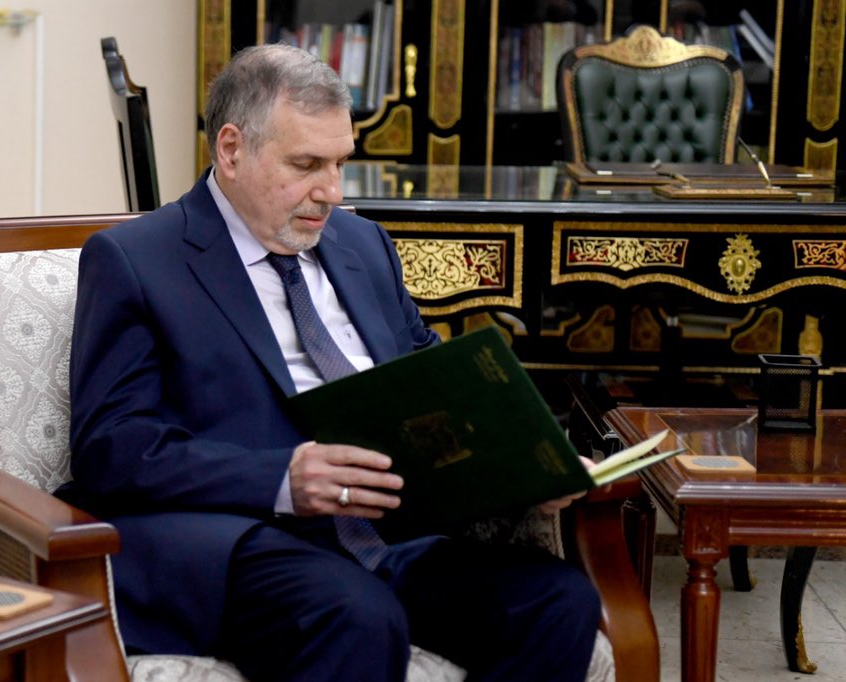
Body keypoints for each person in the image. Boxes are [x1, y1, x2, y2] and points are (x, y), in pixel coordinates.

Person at [59, 43, 600, 681]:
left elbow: (433, 386)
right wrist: (281, 477)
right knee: (358, 615)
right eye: (307, 164)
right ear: (231, 149)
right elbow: (111, 445)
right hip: (247, 535)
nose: (332, 192)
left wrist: (533, 465)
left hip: (393, 533)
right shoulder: (137, 260)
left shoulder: (363, 245)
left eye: (341, 162)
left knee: (558, 601)